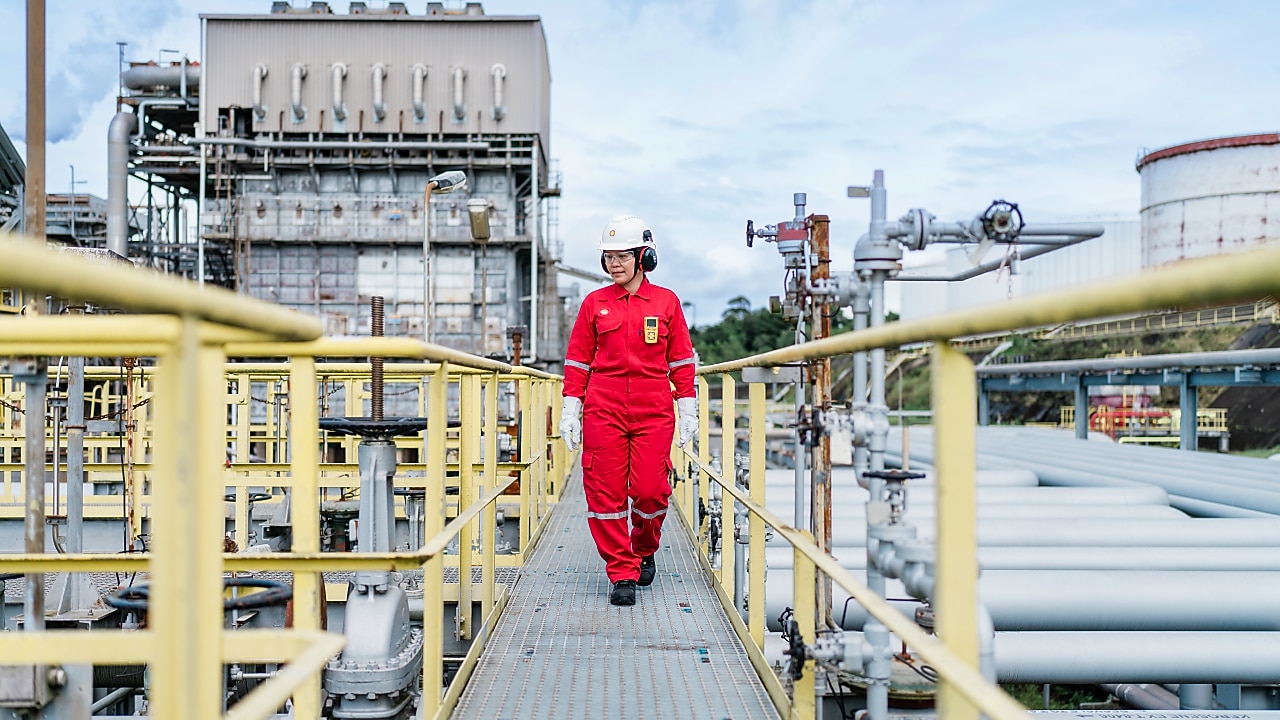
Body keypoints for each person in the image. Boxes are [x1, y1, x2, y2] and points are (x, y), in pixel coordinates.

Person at [559, 214, 698, 607]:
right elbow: (579, 361)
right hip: (604, 407)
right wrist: (571, 407)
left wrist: (688, 408)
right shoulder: (594, 304)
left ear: (644, 257)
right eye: (608, 257)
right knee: (605, 495)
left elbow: (681, 360)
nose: (614, 264)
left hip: (654, 408)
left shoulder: (666, 302)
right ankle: (622, 571)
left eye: (623, 256)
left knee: (651, 492)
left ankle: (644, 545)